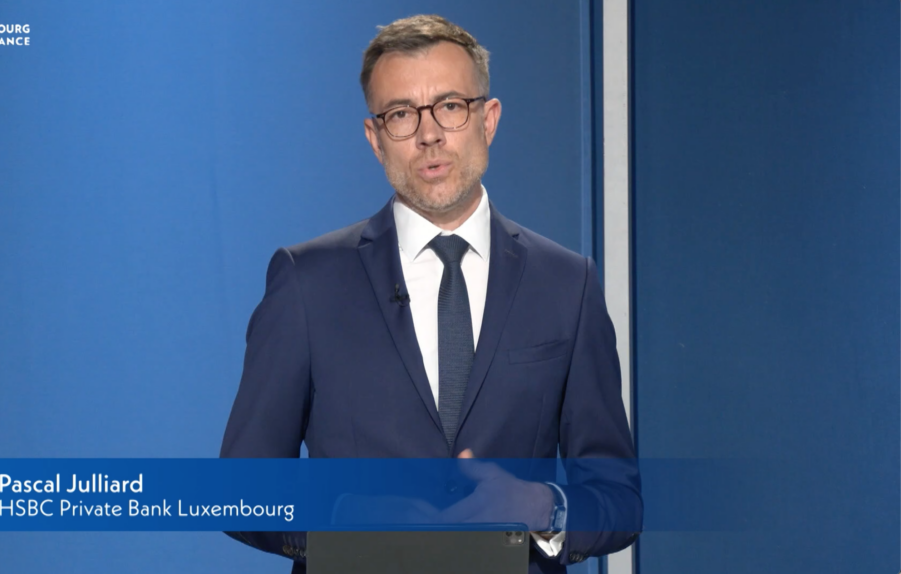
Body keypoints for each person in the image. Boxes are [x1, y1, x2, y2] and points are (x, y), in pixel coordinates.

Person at [220, 14, 642, 573]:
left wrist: (541, 506)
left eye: (450, 106)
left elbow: (618, 498)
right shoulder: (307, 282)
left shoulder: (568, 284)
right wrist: (339, 517)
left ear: (488, 120)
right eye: (401, 114)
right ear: (375, 140)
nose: (429, 135)